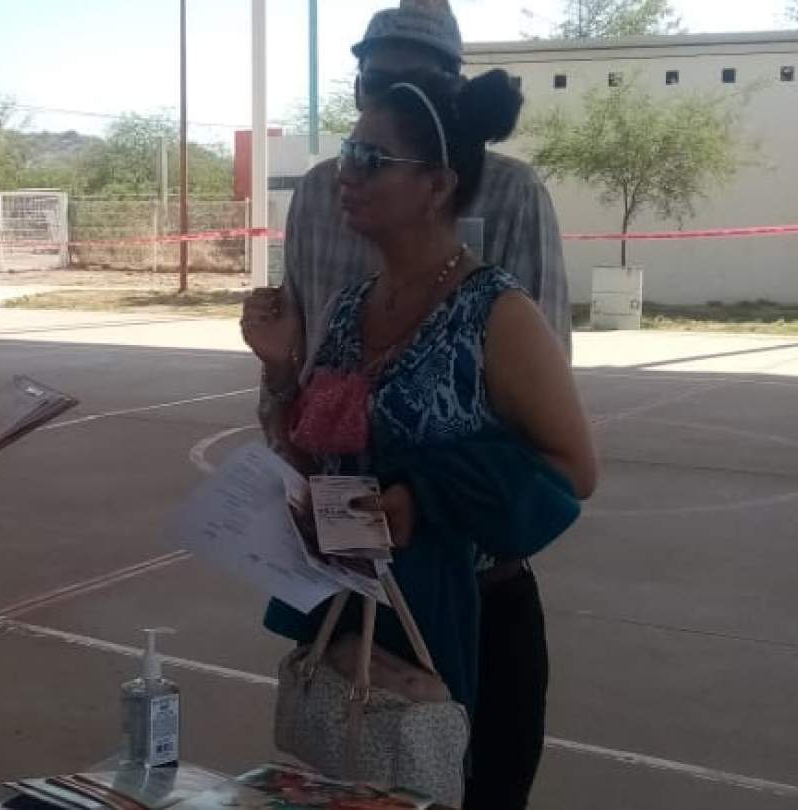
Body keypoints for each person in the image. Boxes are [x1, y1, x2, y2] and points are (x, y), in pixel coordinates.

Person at [244, 68, 597, 807]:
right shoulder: (350, 308)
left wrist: (424, 499)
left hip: (473, 629)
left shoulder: (497, 314)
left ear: (437, 185)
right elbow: (310, 450)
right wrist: (278, 369)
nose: (344, 174)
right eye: (348, 152)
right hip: (358, 620)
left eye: (370, 159)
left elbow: (573, 470)